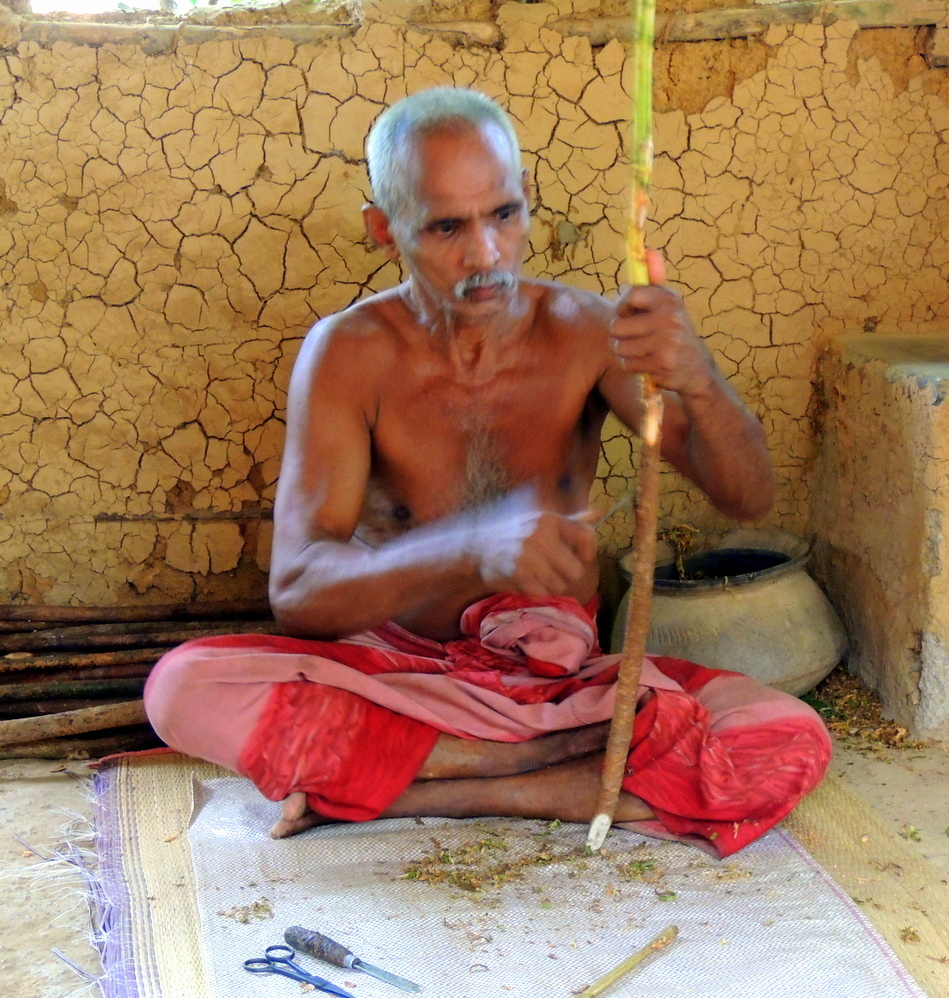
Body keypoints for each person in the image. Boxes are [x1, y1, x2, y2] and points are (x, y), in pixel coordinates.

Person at [144, 87, 830, 858]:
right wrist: (469, 549)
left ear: (526, 198)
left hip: (561, 694)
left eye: (502, 215)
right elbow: (299, 596)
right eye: (445, 227)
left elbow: (747, 498)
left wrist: (698, 377)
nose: (485, 255)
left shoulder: (585, 333)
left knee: (786, 736)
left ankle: (425, 791)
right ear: (383, 229)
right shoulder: (348, 354)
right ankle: (553, 777)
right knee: (181, 688)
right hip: (398, 680)